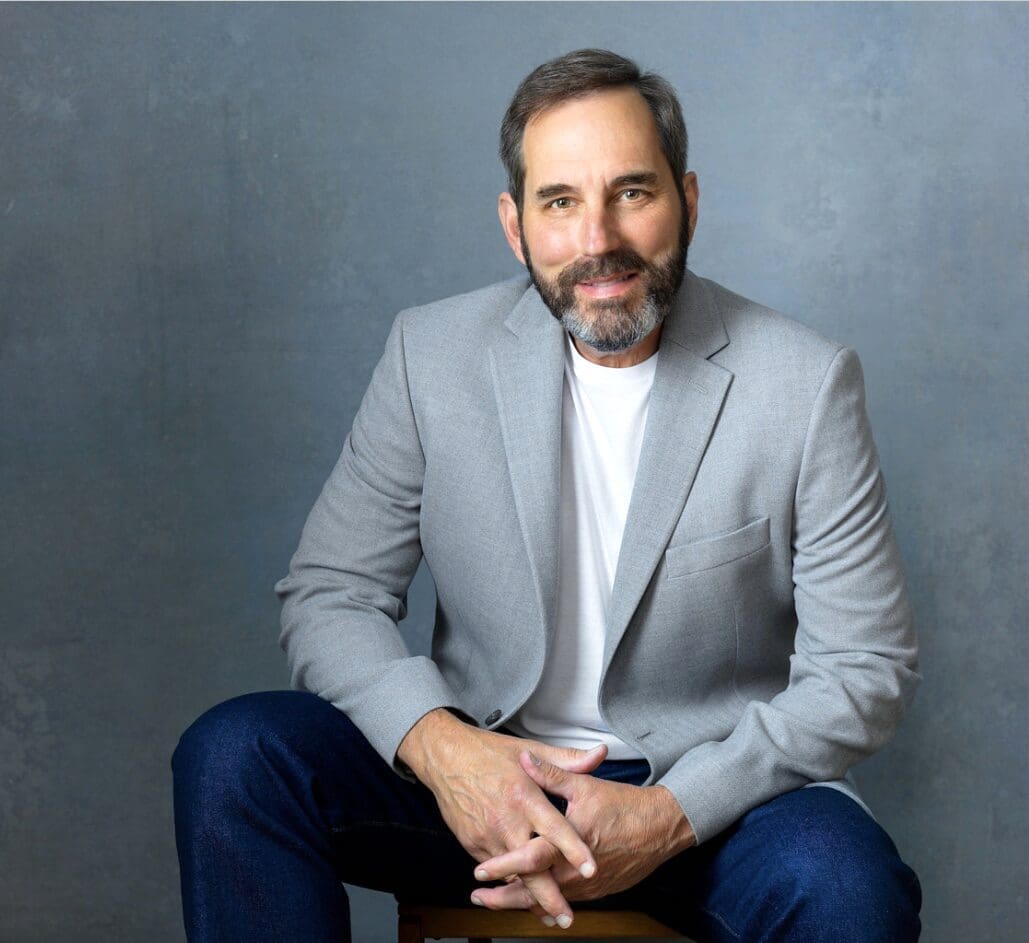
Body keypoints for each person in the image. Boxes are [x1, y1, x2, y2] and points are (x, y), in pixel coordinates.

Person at [172, 49, 922, 942]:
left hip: (710, 802)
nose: (596, 238)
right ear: (515, 225)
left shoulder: (802, 382)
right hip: (482, 785)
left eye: (632, 193)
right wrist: (447, 752)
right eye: (559, 201)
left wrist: (670, 812)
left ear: (686, 200)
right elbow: (330, 592)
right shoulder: (431, 355)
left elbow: (861, 668)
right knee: (234, 757)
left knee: (848, 883)